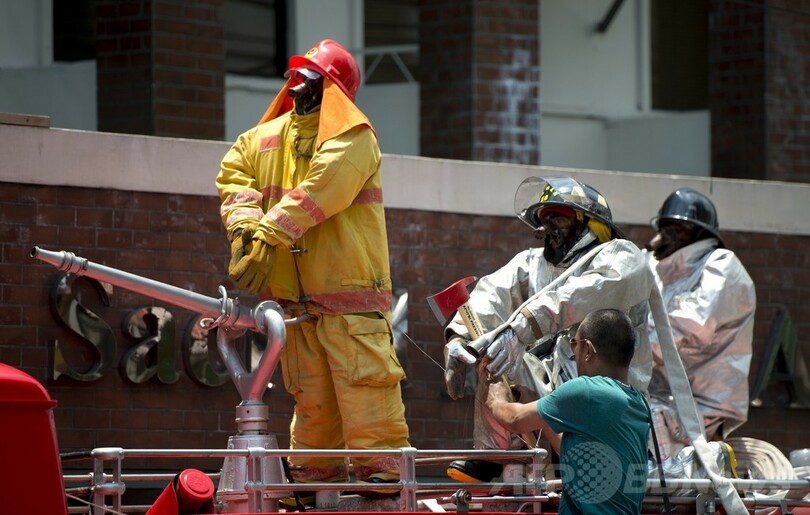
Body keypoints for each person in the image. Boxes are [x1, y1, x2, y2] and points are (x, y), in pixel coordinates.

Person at [215, 39, 409, 498]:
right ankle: (312, 478)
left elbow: (324, 186)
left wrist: (263, 234)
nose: (300, 86)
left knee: (364, 391)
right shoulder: (262, 140)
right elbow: (234, 179)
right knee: (314, 399)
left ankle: (381, 476)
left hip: (349, 302)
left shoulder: (353, 138)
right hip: (301, 304)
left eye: (310, 78)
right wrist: (244, 230)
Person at [443, 176, 655, 483]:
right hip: (555, 399)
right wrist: (459, 337)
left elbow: (583, 295)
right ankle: (496, 456)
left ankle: (531, 455)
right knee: (495, 356)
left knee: (507, 351)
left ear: (589, 224)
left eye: (557, 218)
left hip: (606, 408)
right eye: (543, 220)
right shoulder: (532, 264)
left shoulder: (621, 257)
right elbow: (490, 296)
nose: (546, 228)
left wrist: (522, 328)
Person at [486, 308, 650, 514]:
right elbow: (579, 456)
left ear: (587, 349)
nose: (574, 353)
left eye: (574, 344)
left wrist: (495, 400)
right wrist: (545, 417)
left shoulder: (587, 390)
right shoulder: (637, 402)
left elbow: (515, 418)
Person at [644, 188, 755, 460]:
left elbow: (687, 329)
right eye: (663, 228)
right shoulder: (661, 270)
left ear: (693, 232)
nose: (661, 238)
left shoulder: (721, 266)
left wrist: (620, 350)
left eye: (673, 229)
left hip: (702, 405)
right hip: (664, 397)